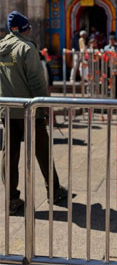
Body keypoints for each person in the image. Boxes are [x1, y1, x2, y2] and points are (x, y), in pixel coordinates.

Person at [0, 11, 68, 215]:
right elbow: (37, 81)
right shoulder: (26, 48)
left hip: (8, 109)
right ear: (23, 29)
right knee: (42, 150)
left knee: (9, 155)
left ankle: (12, 199)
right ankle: (54, 190)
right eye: (28, 27)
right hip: (30, 110)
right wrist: (45, 107)